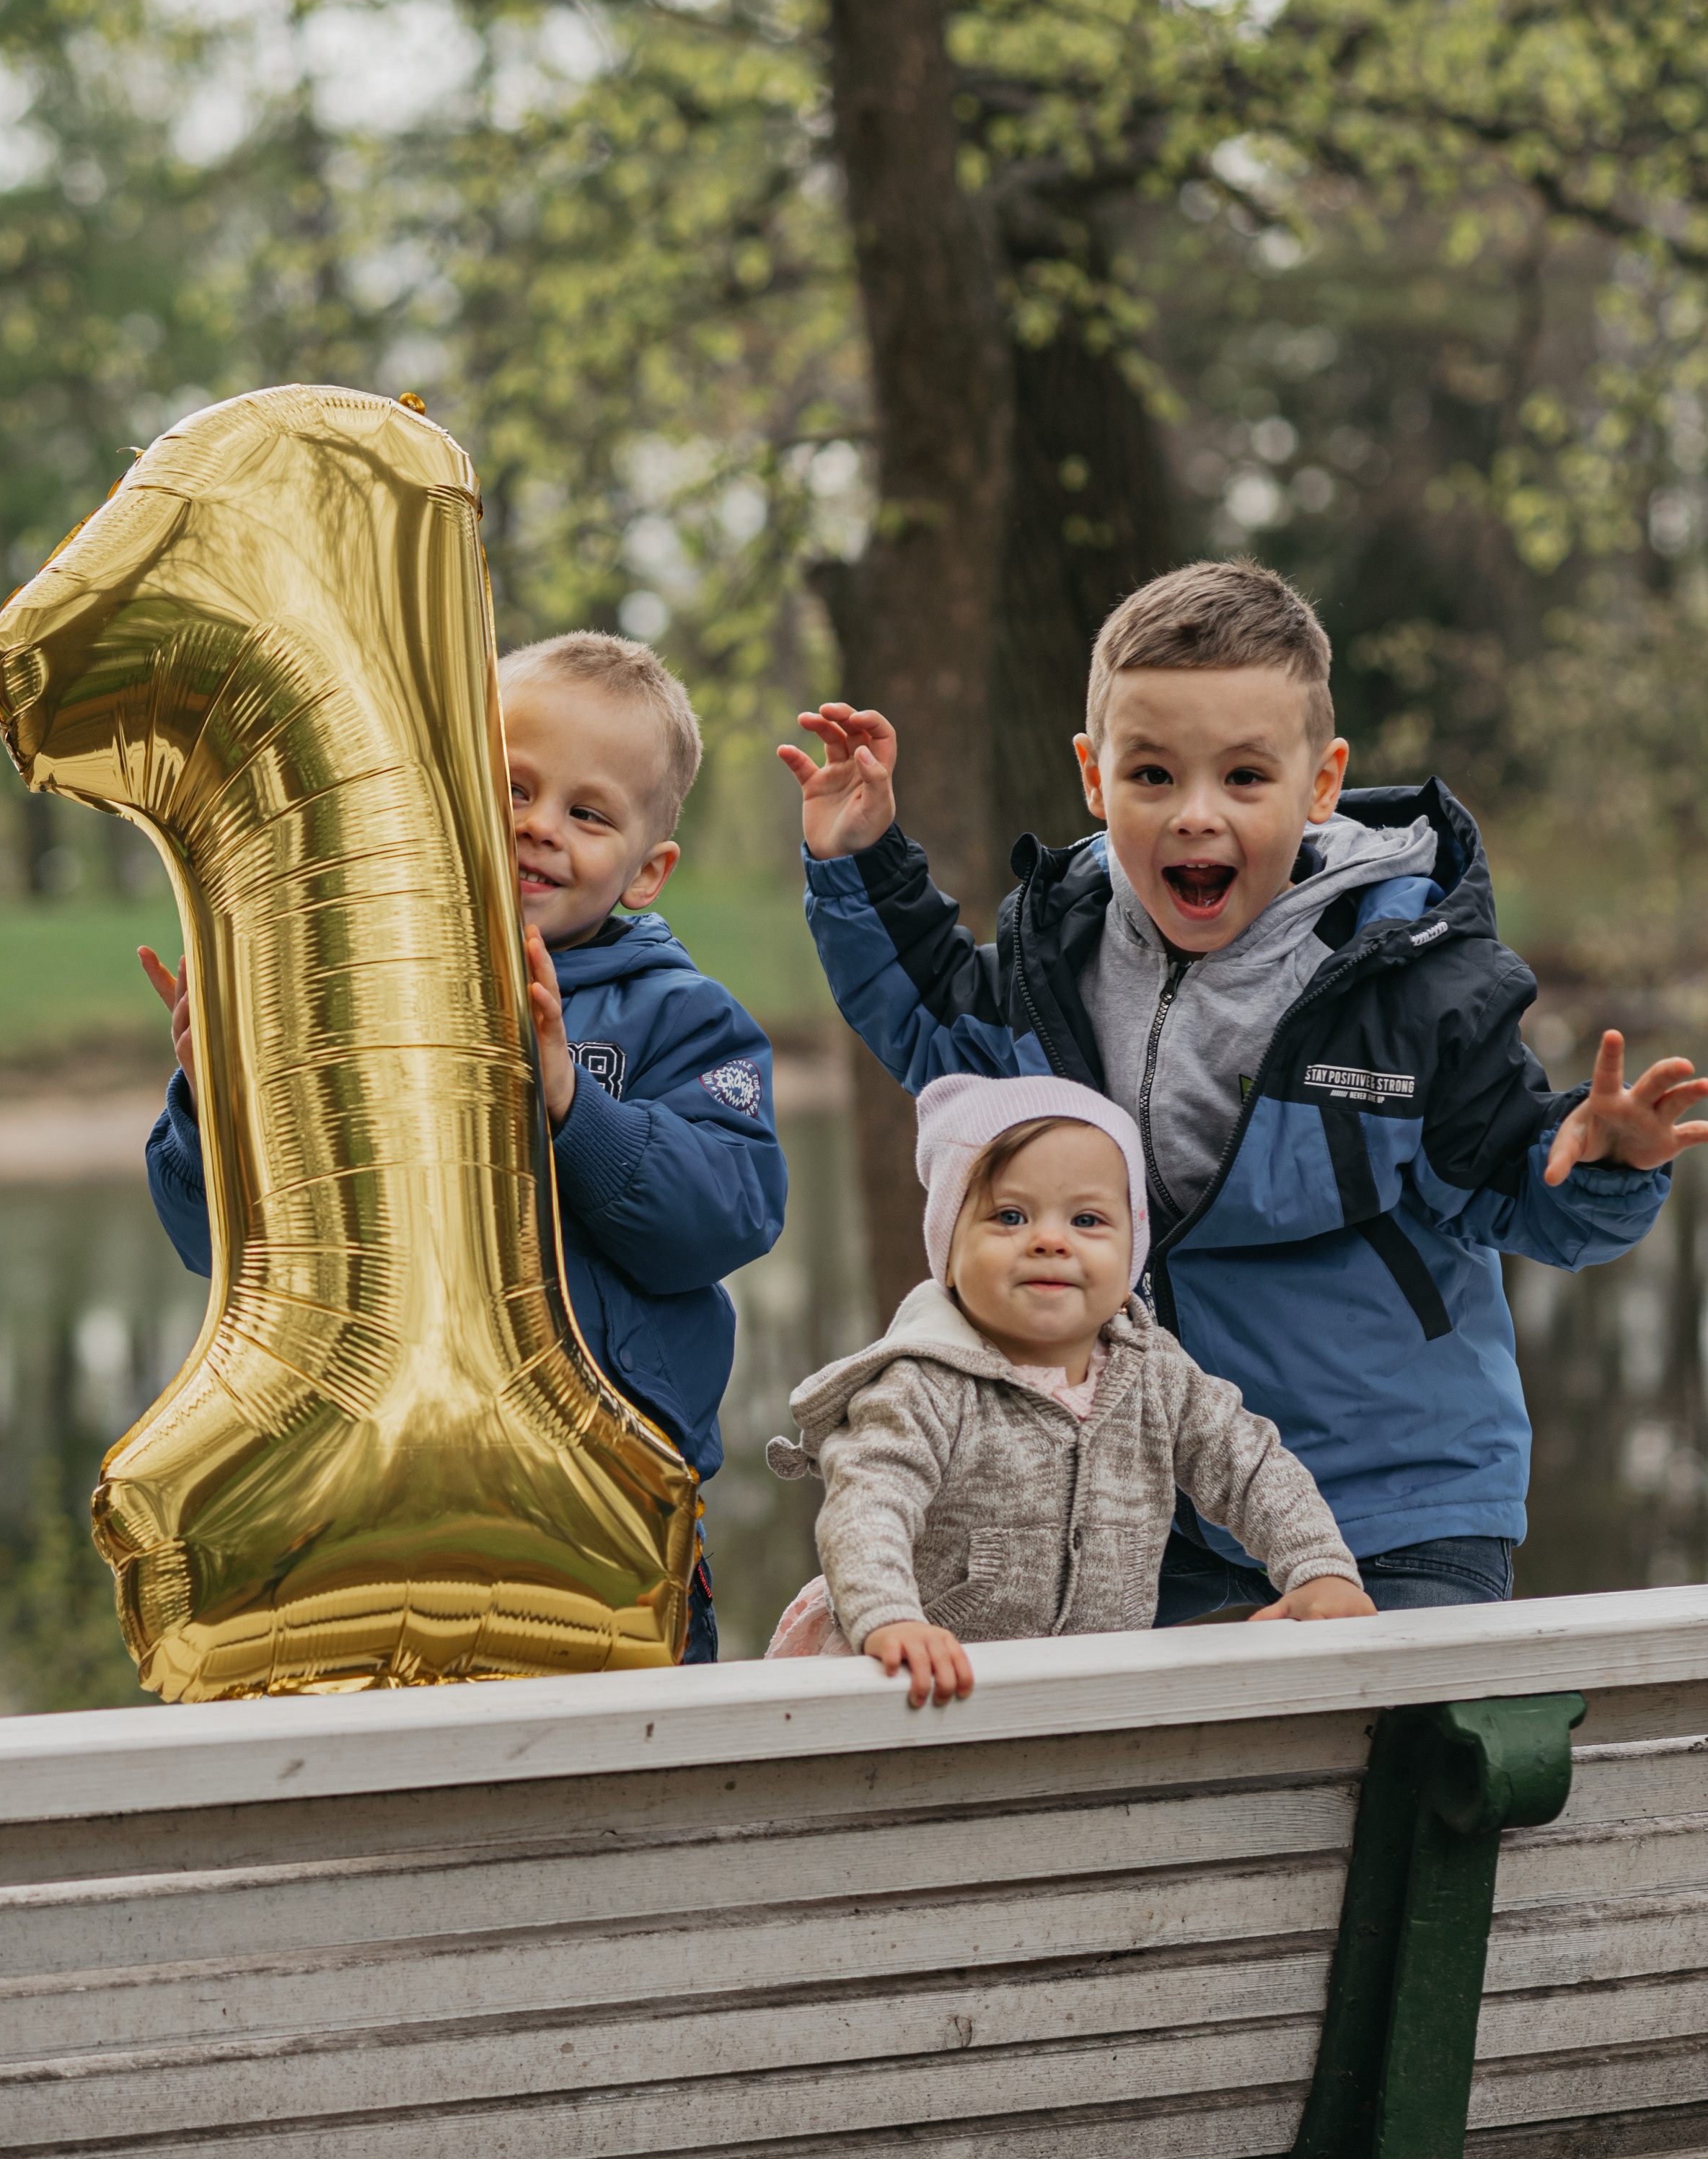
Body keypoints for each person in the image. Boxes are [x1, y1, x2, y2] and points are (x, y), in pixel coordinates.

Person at [778, 558, 1708, 1626]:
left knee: (1397, 1778)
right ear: (1095, 775)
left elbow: (1512, 1180)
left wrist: (1602, 1162)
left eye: (1246, 779)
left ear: (1320, 782)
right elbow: (939, 1022)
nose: (1196, 817)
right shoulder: (1063, 957)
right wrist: (859, 859)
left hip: (1395, 1500)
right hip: (1149, 1499)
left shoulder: (1411, 980)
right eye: (1154, 776)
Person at [139, 630, 788, 1663]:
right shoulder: (360, 993)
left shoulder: (684, 1018)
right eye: (512, 788)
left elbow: (730, 1216)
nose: (537, 828)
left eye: (586, 813)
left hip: (611, 1512)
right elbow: (221, 1251)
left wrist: (574, 1104)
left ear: (646, 868)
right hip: (397, 1513)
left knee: (639, 1781)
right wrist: (218, 1096)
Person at [767, 1074, 1373, 1704]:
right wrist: (889, 1617)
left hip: (1088, 1688)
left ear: (1132, 1247)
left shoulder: (1154, 1375)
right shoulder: (923, 1385)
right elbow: (868, 1507)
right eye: (1010, 1216)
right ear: (948, 1250)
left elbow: (1250, 1467)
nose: (1049, 1241)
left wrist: (1319, 1568)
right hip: (922, 1688)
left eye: (1087, 1219)